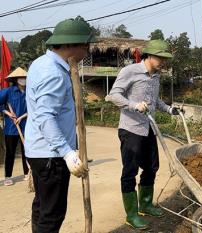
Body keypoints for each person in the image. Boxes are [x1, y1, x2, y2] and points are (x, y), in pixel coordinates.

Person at [25, 16, 95, 233]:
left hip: (39, 152)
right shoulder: (54, 73)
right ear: (70, 45)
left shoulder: (40, 63)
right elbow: (46, 117)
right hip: (51, 156)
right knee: (52, 214)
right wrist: (67, 153)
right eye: (86, 46)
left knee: (41, 207)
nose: (88, 51)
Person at [105, 39, 180, 230]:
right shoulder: (130, 71)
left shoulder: (156, 76)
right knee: (130, 171)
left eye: (165, 58)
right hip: (131, 129)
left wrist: (169, 109)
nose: (163, 61)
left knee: (152, 166)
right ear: (149, 55)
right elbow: (113, 95)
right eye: (160, 57)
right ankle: (131, 214)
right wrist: (133, 105)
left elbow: (154, 100)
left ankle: (146, 205)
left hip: (149, 129)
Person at [0, 67, 28, 186]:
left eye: (25, 78)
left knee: (26, 150)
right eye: (21, 78)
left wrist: (22, 117)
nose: (23, 80)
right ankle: (8, 176)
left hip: (26, 126)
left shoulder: (29, 92)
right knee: (10, 152)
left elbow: (33, 108)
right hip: (11, 127)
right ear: (16, 79)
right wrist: (8, 113)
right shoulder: (8, 91)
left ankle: (27, 172)